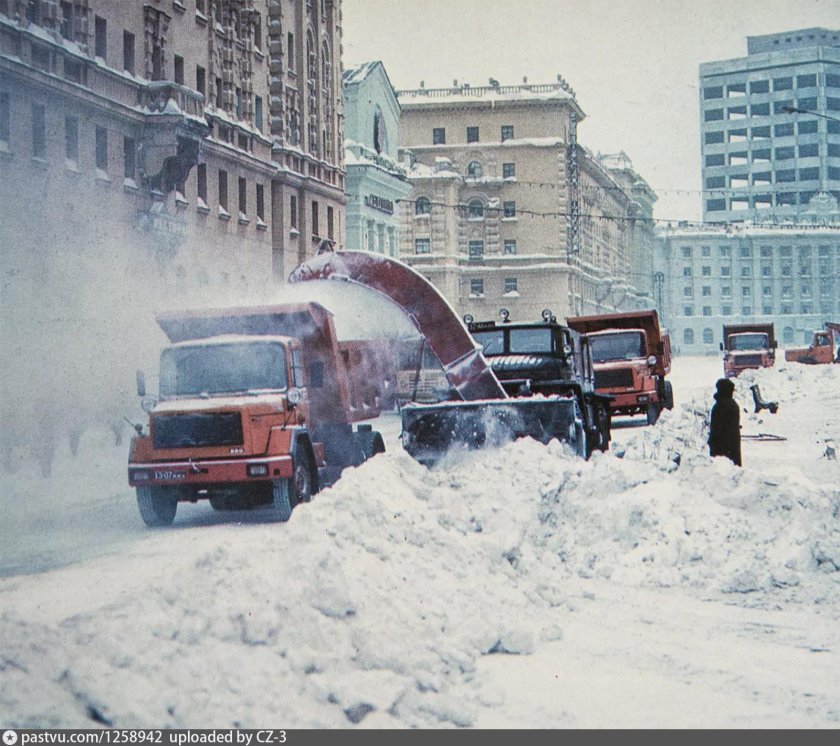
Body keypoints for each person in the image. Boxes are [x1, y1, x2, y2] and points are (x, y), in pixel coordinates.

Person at [708, 378, 741, 466]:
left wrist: (711, 441)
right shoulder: (733, 404)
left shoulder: (721, 405)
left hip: (722, 446)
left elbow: (717, 428)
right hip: (732, 445)